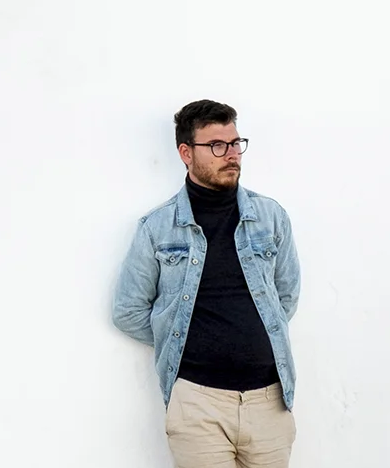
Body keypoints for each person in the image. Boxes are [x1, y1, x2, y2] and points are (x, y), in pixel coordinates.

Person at [113, 100, 301, 467]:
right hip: (197, 403)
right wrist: (181, 333)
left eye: (235, 143)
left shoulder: (271, 217)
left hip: (270, 402)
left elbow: (286, 296)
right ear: (186, 152)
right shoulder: (157, 227)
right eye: (217, 145)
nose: (231, 155)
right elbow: (128, 311)